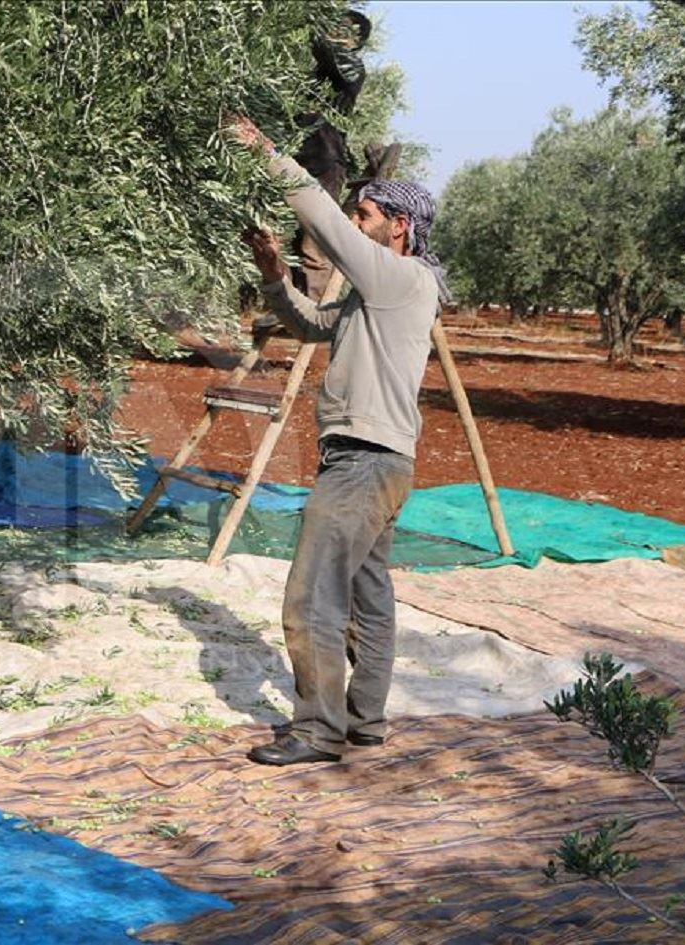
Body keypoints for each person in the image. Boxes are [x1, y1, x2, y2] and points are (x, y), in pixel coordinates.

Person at [227, 115, 448, 766]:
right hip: (381, 462)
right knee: (367, 596)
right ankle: (365, 721)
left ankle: (318, 729)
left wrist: (266, 152)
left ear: (398, 228)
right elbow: (313, 324)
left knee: (313, 596)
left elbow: (319, 217)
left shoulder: (398, 278)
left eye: (366, 211)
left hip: (362, 465)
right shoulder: (379, 291)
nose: (354, 219)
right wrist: (273, 276)